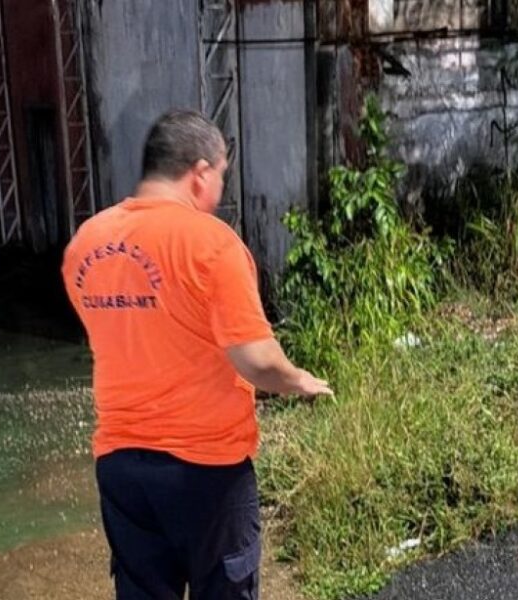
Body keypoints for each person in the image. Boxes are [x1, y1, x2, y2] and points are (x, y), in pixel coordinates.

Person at [61, 109, 332, 600]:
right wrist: (297, 380)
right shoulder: (210, 243)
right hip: (206, 467)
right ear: (201, 172)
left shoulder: (86, 244)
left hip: (121, 468)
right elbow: (255, 359)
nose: (220, 190)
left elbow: (121, 335)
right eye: (222, 175)